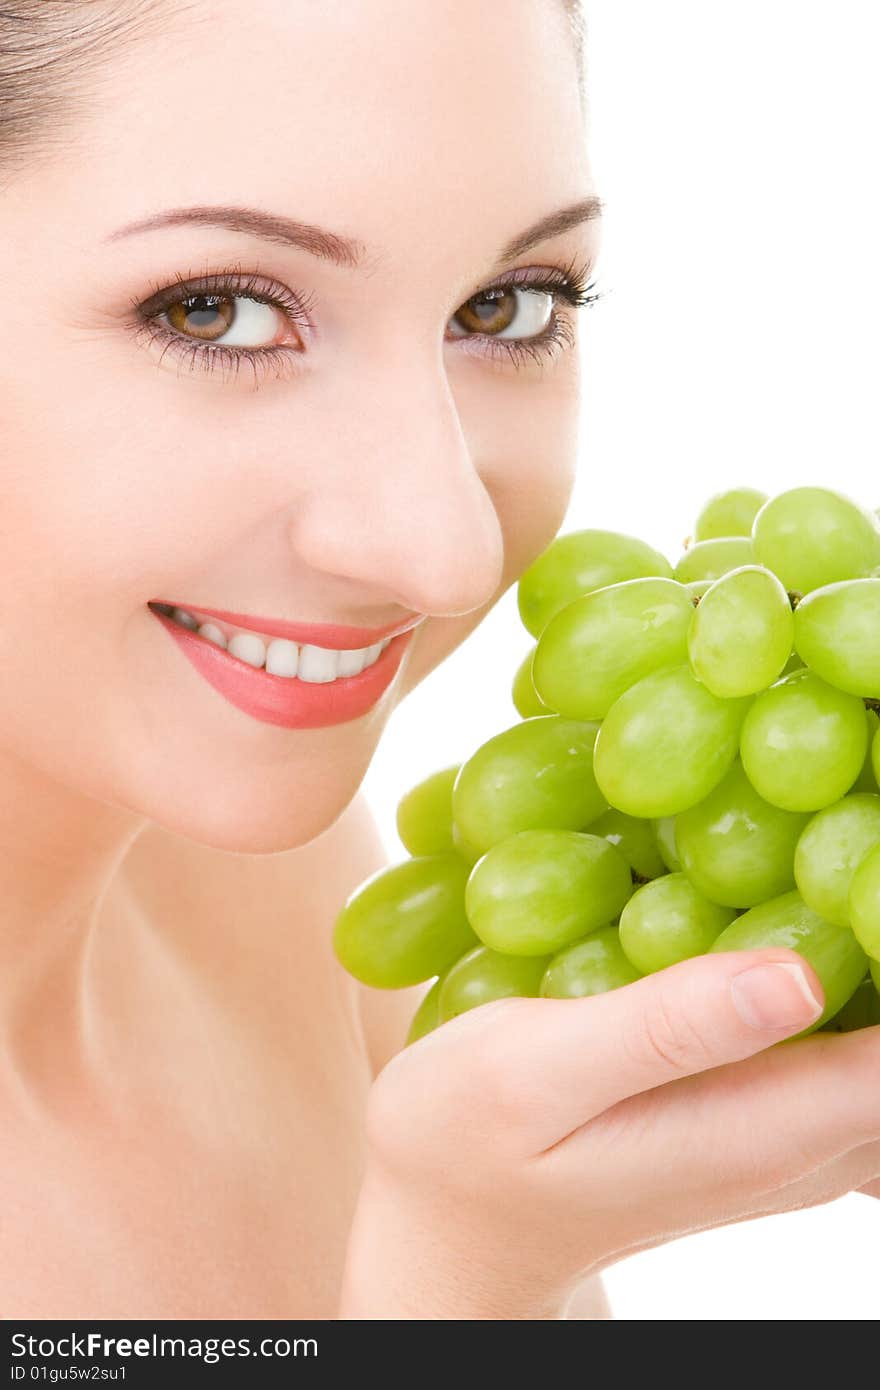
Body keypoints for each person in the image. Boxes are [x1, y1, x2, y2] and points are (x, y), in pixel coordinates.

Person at [0, 0, 876, 1322]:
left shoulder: (288, 893)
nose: (451, 551)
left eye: (509, 304)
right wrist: (466, 1284)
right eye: (218, 309)